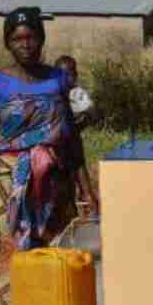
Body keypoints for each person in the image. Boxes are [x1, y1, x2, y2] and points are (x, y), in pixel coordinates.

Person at [0, 7, 78, 305]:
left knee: (55, 265)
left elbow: (73, 138)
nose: (25, 44)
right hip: (9, 190)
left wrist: (85, 191)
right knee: (9, 271)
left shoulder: (58, 80)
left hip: (55, 187)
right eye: (17, 38)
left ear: (42, 39)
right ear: (7, 43)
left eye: (31, 36)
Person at [55, 54, 101, 217]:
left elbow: (90, 113)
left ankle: (85, 195)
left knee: (76, 163)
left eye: (71, 74)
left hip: (71, 137)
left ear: (76, 75)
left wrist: (78, 126)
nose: (68, 78)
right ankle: (84, 194)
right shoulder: (52, 94)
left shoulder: (78, 94)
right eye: (63, 75)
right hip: (57, 140)